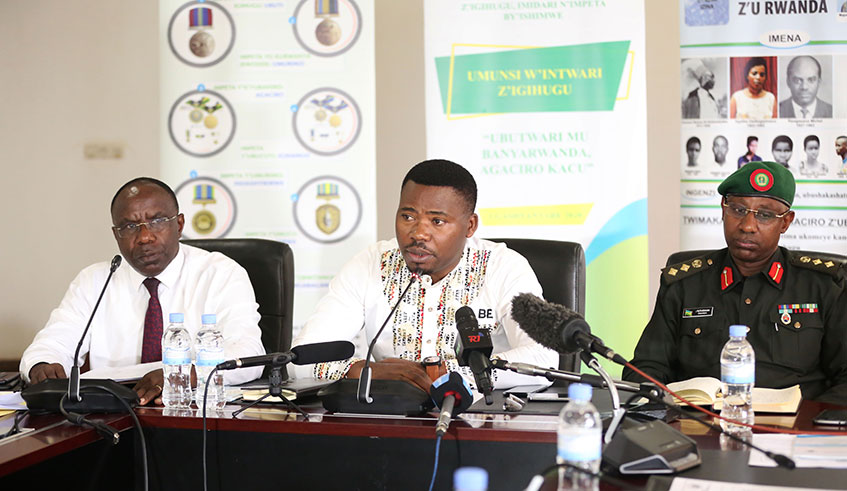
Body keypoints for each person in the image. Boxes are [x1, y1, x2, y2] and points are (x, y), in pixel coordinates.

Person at [290, 159, 557, 393]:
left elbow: (542, 358)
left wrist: (447, 375)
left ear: (470, 226)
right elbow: (299, 360)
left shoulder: (503, 267)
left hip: (482, 420)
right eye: (408, 216)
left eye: (437, 221)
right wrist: (364, 371)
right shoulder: (371, 263)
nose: (418, 233)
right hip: (388, 420)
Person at [20, 178, 265, 405]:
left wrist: (180, 374)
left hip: (197, 415)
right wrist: (41, 365)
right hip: (112, 418)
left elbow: (249, 355)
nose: (145, 237)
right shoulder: (95, 280)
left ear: (179, 225)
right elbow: (52, 343)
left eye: (157, 221)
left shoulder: (220, 273)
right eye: (129, 226)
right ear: (116, 235)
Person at [623, 162, 847, 403]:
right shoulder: (683, 285)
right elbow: (647, 368)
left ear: (785, 222)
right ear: (723, 210)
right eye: (738, 210)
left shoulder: (824, 286)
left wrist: (812, 424)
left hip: (795, 431)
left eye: (765, 215)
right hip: (699, 427)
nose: (748, 226)